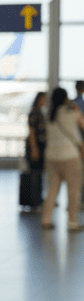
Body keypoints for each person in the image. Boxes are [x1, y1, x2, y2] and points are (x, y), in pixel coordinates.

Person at [41, 87, 84, 231]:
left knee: (52, 190)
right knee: (73, 190)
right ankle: (72, 222)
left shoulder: (49, 115)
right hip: (70, 156)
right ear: (66, 98)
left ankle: (46, 220)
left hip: (51, 156)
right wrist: (76, 110)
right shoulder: (71, 112)